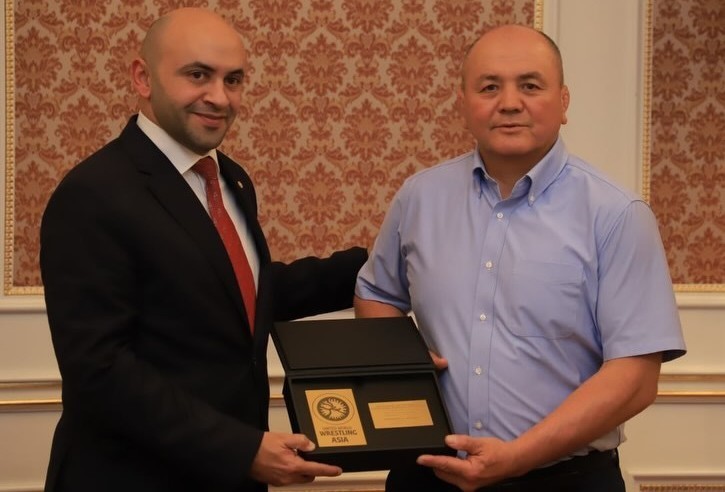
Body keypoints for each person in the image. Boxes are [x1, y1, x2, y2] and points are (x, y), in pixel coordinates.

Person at [40, 8, 367, 492]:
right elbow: (99, 369)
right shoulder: (93, 193)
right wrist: (242, 450)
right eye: (198, 75)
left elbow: (239, 297)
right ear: (142, 78)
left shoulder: (231, 178)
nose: (219, 97)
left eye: (233, 80)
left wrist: (380, 263)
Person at [354, 24, 686, 492]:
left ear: (564, 102)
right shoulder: (419, 197)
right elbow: (375, 292)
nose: (509, 103)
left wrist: (517, 457)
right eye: (489, 87)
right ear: (464, 102)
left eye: (530, 86)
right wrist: (400, 358)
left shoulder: (616, 214)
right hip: (428, 476)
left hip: (565, 481)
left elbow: (635, 377)